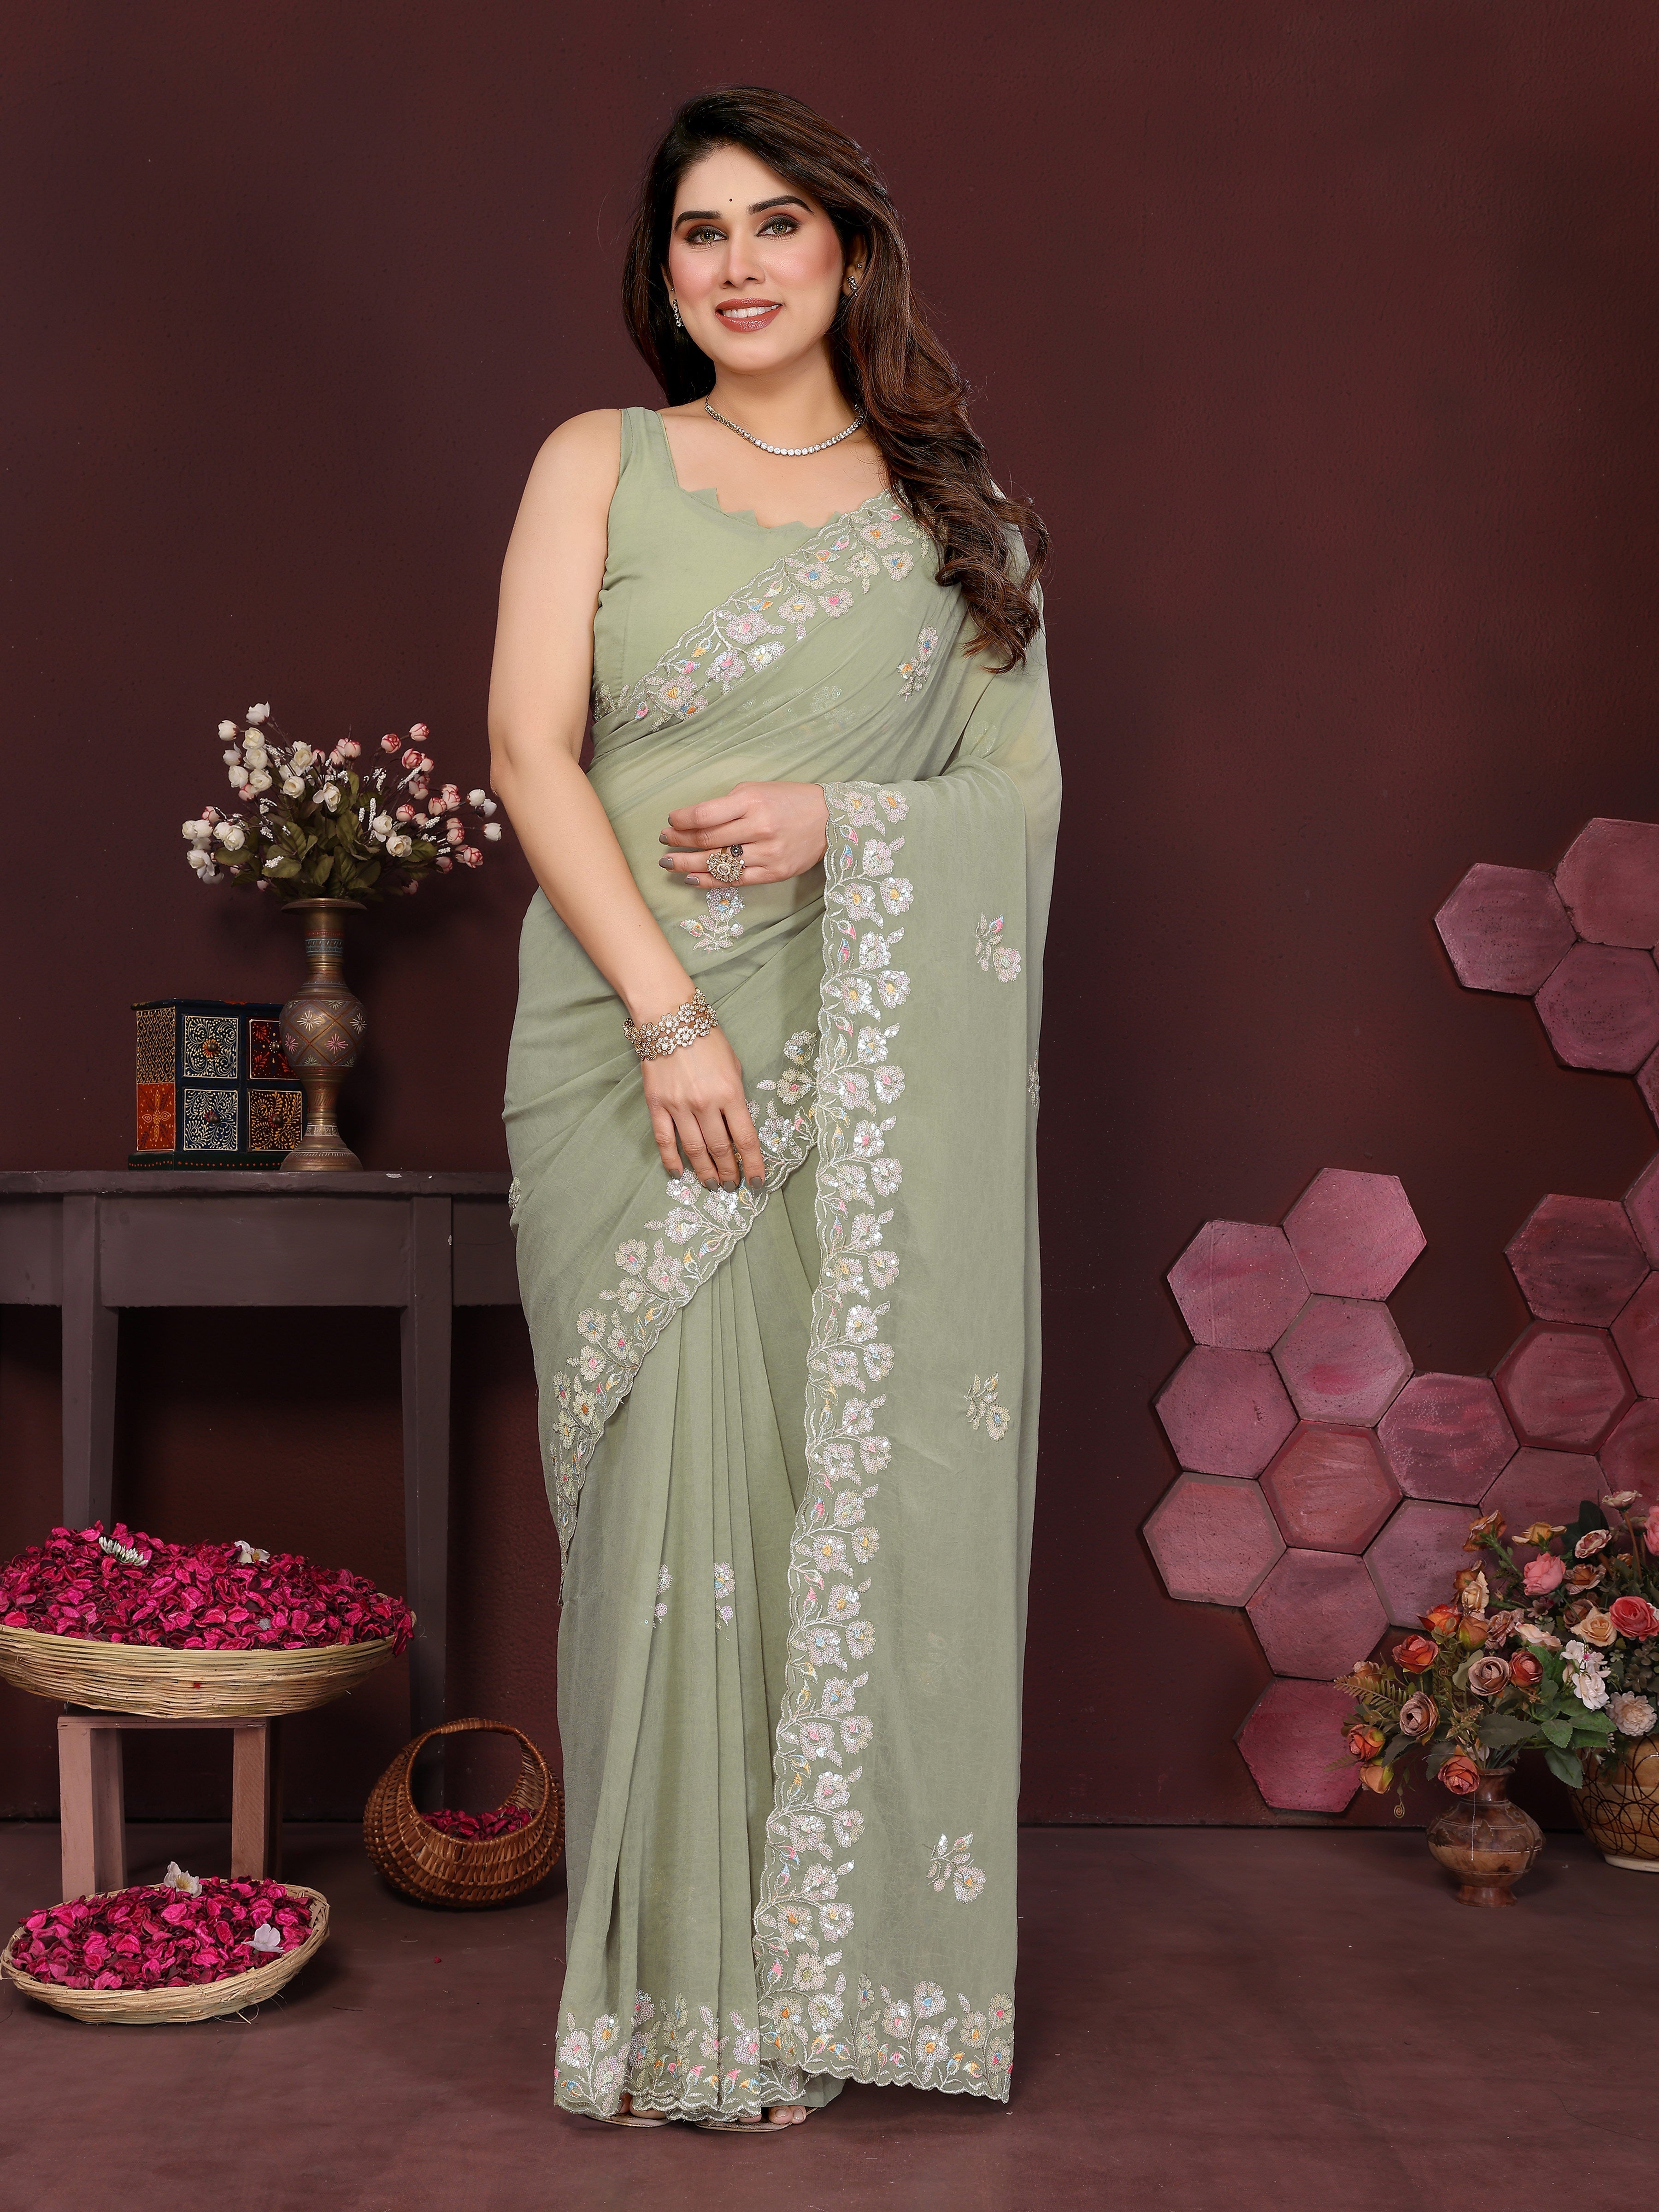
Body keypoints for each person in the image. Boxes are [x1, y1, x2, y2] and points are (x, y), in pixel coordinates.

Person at [488, 83, 1059, 2131]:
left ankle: (824, 1973)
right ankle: (673, 2006)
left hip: (853, 1052)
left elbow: (1016, 803)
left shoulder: (960, 524)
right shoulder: (604, 460)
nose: (735, 266)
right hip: (630, 1048)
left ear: (849, 253)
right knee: (667, 1507)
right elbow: (530, 751)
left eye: (775, 225)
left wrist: (847, 820)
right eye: (698, 233)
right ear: (664, 275)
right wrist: (671, 1023)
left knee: (818, 1501)